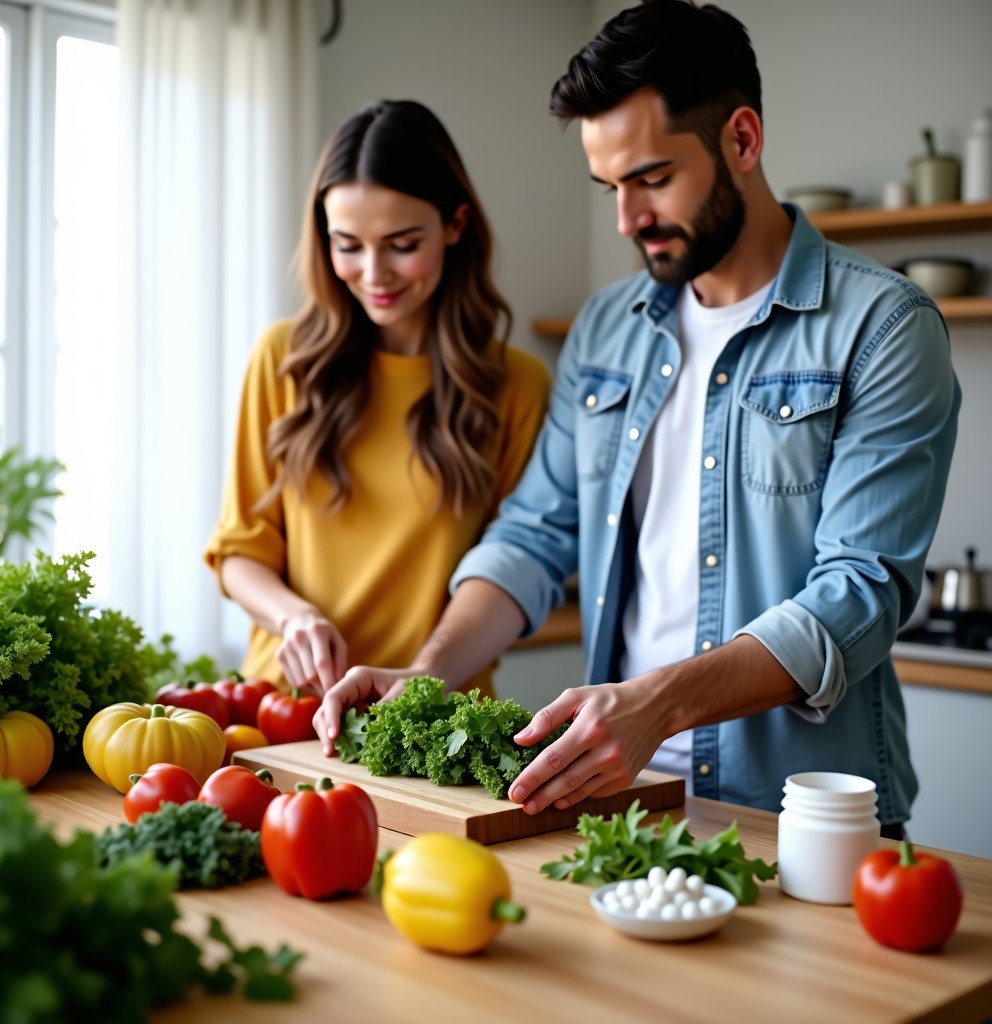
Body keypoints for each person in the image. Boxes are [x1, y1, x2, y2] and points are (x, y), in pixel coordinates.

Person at [314, 1, 960, 836]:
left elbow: (859, 595)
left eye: (652, 179)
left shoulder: (884, 327)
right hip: (616, 804)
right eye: (610, 187)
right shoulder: (606, 328)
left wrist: (657, 706)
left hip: (800, 814)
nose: (626, 220)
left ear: (742, 140)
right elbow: (533, 535)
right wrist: (429, 672)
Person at [204, 99, 551, 698]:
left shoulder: (516, 386)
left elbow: (514, 569)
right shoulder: (282, 359)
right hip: (284, 714)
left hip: (433, 722)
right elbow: (238, 553)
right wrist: (295, 617)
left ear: (456, 225)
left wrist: (424, 677)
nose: (374, 272)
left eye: (401, 243)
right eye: (348, 245)